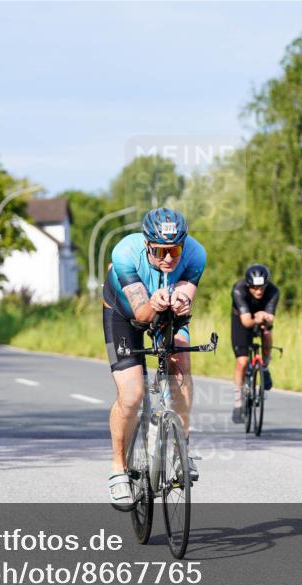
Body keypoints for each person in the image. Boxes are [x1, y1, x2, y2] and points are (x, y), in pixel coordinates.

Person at [102, 207, 206, 508]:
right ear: (147, 244)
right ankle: (118, 469)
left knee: (181, 365)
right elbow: (142, 314)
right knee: (132, 395)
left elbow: (186, 292)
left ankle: (181, 448)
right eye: (160, 251)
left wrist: (182, 301)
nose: (168, 259)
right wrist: (154, 302)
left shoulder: (196, 254)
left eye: (174, 250)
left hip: (167, 312)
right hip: (124, 314)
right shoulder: (125, 252)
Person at [230, 263, 280, 423]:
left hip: (261, 318)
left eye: (261, 288)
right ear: (248, 285)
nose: (258, 291)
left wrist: (265, 318)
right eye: (254, 288)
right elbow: (246, 322)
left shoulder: (273, 291)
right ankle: (238, 402)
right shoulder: (239, 289)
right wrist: (256, 318)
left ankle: (264, 366)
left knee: (266, 332)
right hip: (241, 321)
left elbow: (271, 320)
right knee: (242, 361)